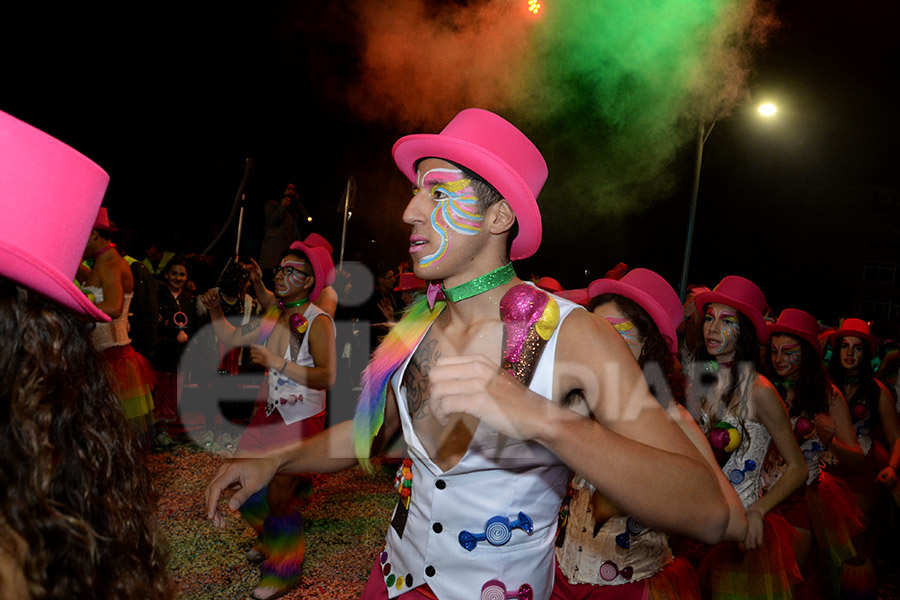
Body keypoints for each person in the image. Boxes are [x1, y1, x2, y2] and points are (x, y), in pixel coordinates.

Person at [205, 108, 729, 600]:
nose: (410, 212)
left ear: (499, 215)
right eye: (415, 192)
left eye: (437, 193)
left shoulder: (576, 335)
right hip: (392, 581)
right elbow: (366, 433)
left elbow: (705, 511)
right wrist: (275, 459)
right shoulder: (414, 328)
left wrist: (544, 420)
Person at [0, 109, 172, 599]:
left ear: (100, 236)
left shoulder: (113, 263)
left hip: (114, 349)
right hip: (97, 352)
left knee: (119, 439)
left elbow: (114, 306)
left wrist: (85, 295)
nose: (89, 242)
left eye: (92, 236)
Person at [549, 268, 748, 600]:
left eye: (614, 334)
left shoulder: (672, 420)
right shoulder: (573, 405)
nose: (596, 346)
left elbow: (734, 523)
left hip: (629, 590)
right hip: (556, 581)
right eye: (593, 332)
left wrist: (656, 501)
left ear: (647, 346)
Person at [200, 238, 337, 600]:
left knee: (277, 500)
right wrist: (215, 309)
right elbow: (230, 335)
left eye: (293, 271)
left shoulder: (317, 321)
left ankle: (284, 570)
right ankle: (273, 536)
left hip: (300, 420)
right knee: (242, 486)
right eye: (281, 269)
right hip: (267, 413)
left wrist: (279, 363)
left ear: (309, 282)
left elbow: (327, 377)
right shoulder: (275, 312)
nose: (282, 275)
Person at [687, 276, 807, 600]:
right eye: (709, 318)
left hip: (740, 525)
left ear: (745, 332)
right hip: (696, 517)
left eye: (727, 320)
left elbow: (798, 467)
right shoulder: (698, 381)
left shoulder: (762, 391)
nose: (713, 328)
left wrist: (758, 512)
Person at [762, 308, 865, 597]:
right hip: (760, 497)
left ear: (806, 354)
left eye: (789, 352)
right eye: (774, 351)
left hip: (801, 500)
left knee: (789, 584)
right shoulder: (765, 388)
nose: (779, 359)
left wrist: (830, 440)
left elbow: (857, 457)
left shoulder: (828, 395)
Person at [825, 317, 900, 597]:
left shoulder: (877, 391)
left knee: (850, 548)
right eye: (845, 346)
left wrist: (892, 467)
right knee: (823, 545)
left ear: (867, 354)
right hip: (825, 469)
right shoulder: (824, 384)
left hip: (862, 476)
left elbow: (897, 438)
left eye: (857, 348)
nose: (850, 353)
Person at [81, 207, 157, 450]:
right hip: (107, 354)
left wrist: (76, 311)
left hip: (113, 357)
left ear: (94, 235)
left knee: (113, 432)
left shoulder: (110, 264)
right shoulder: (103, 263)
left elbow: (113, 307)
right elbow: (93, 283)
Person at [152, 256, 200, 440]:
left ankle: (165, 429)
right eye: (174, 274)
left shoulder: (190, 299)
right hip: (162, 354)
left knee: (174, 393)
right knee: (160, 390)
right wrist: (173, 333)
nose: (178, 278)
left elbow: (195, 325)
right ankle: (154, 430)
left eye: (182, 274)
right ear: (166, 275)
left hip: (182, 356)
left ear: (187, 277)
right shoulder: (157, 296)